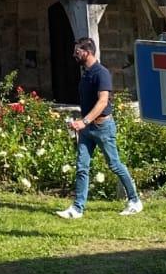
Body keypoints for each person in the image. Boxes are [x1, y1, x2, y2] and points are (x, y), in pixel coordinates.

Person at [57, 37, 143, 219]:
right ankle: (77, 208)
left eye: (77, 52)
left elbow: (103, 101)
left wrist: (85, 121)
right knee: (82, 166)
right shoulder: (86, 73)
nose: (74, 55)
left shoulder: (101, 73)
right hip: (87, 129)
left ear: (87, 52)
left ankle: (135, 200)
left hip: (103, 127)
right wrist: (81, 123)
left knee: (115, 164)